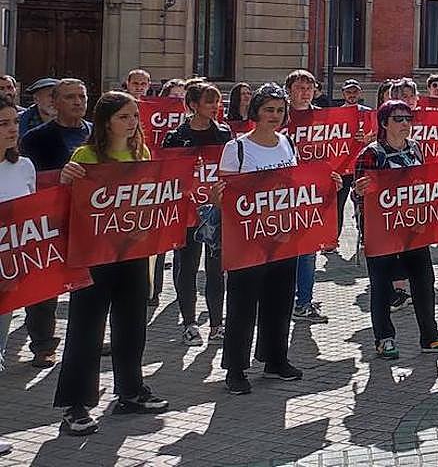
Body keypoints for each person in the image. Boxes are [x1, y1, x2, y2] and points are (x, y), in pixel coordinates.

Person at [54, 91, 168, 435]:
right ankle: (76, 404)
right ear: (106, 122)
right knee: (86, 329)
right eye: (124, 117)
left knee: (132, 324)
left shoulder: (140, 152)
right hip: (93, 257)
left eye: (135, 117)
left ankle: (130, 391)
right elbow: (66, 201)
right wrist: (66, 178)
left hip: (132, 253)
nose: (132, 123)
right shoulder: (85, 155)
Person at [219, 84, 329, 394]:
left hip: (283, 236)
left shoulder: (287, 144)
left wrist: (325, 184)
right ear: (255, 112)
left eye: (280, 111)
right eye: (269, 110)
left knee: (280, 300)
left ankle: (275, 359)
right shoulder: (237, 148)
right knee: (242, 304)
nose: (275, 116)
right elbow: (226, 195)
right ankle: (236, 368)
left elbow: (295, 186)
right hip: (248, 241)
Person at [352, 100, 438, 357]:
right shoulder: (372, 153)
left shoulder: (415, 148)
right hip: (382, 233)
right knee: (381, 286)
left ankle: (431, 336)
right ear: (384, 123)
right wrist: (360, 191)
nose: (405, 124)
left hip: (414, 229)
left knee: (424, 282)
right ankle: (384, 339)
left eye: (408, 118)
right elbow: (361, 198)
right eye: (398, 119)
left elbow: (423, 185)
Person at [19, 78, 92, 368]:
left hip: (88, 222)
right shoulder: (37, 138)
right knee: (44, 287)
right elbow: (30, 180)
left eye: (82, 97)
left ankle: (89, 338)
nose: (78, 102)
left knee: (89, 285)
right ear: (55, 102)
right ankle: (42, 345)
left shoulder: (95, 133)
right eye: (71, 97)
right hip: (49, 222)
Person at [162, 82, 232, 345]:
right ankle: (190, 323)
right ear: (192, 105)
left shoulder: (224, 134)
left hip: (215, 212)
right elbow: (168, 177)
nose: (215, 107)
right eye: (209, 102)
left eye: (217, 102)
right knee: (187, 267)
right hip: (187, 211)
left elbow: (232, 171)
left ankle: (216, 324)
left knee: (216, 269)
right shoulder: (176, 137)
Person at [0, 94, 35, 454]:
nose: (12, 130)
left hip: (8, 279)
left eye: (14, 122)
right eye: (3, 124)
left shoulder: (24, 166)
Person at [283, 69, 329, 325]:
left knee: (309, 249)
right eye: (299, 87)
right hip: (284, 192)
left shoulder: (325, 118)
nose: (304, 92)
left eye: (309, 88)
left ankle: (304, 301)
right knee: (286, 250)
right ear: (289, 90)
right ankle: (285, 298)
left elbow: (336, 149)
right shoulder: (279, 116)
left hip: (313, 191)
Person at [335, 80, 372, 242]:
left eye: (355, 91)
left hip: (363, 163)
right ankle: (333, 238)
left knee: (364, 203)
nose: (352, 95)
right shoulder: (335, 114)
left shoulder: (369, 113)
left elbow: (376, 136)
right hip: (343, 166)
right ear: (343, 93)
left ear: (360, 93)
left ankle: (365, 236)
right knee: (338, 204)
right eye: (349, 92)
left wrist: (367, 139)